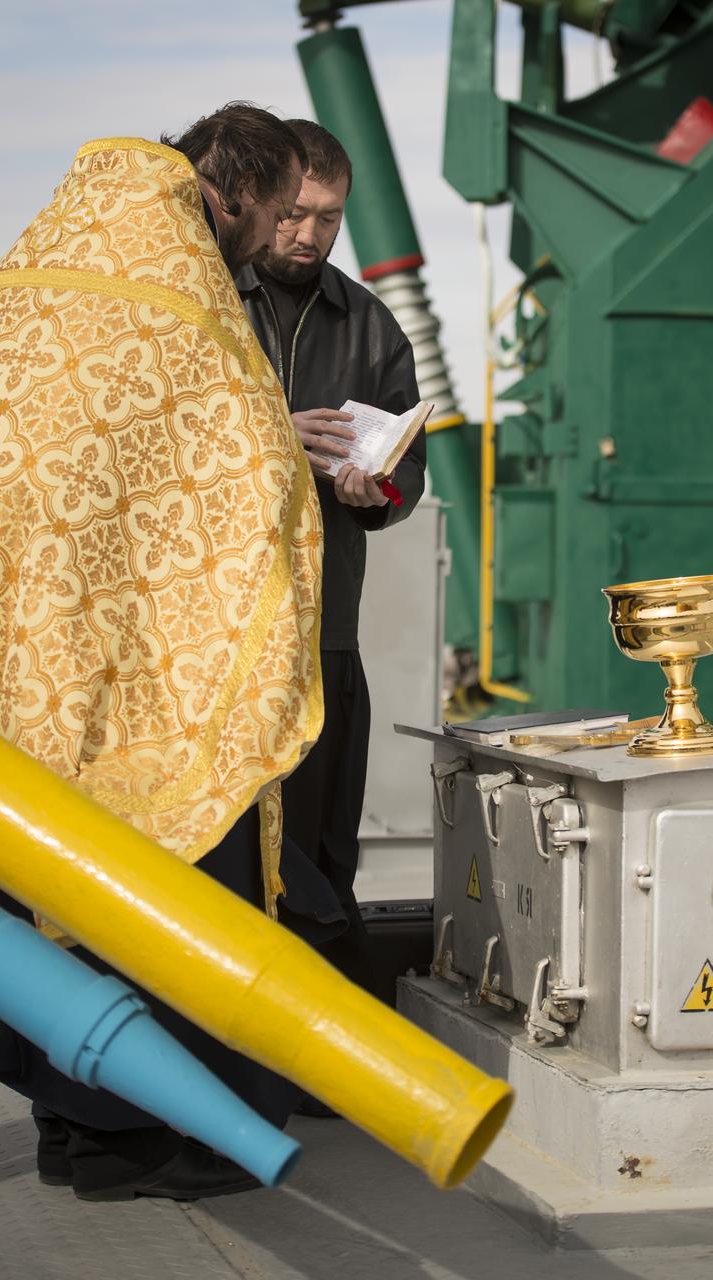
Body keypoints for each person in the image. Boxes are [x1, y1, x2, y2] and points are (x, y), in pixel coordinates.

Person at [0, 104, 339, 1201]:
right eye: (270, 216)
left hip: (18, 662)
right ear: (236, 191)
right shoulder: (177, 296)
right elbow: (251, 471)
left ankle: (70, 1133)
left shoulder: (32, 277)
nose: (269, 242)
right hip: (154, 670)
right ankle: (151, 1141)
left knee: (46, 893)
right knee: (172, 901)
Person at [235, 120, 426, 1014]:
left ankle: (317, 1064)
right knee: (232, 864)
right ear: (265, 204)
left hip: (324, 636)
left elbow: (407, 481)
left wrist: (371, 489)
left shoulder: (371, 325)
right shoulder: (203, 299)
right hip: (219, 643)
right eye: (296, 214)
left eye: (331, 218)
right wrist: (281, 437)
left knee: (322, 857)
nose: (308, 235)